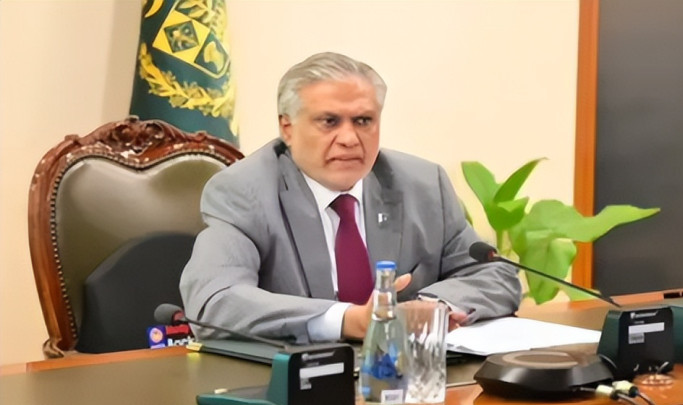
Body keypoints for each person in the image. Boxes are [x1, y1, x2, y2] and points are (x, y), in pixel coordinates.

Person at [180, 52, 521, 344]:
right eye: (329, 122)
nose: (349, 138)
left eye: (363, 121)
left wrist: (434, 307)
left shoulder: (422, 185)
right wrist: (346, 320)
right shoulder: (243, 192)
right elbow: (214, 301)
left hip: (406, 378)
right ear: (287, 128)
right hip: (298, 382)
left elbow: (496, 275)